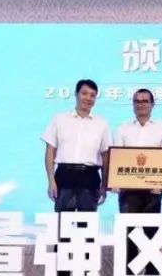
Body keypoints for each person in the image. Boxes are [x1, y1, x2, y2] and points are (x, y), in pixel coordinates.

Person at [112, 88, 162, 276]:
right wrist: (115, 182)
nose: (141, 104)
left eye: (145, 101)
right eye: (137, 101)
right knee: (128, 233)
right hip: (128, 190)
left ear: (152, 104)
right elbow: (117, 159)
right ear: (133, 104)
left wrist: (161, 184)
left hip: (153, 190)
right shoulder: (122, 129)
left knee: (150, 233)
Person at [42, 79, 111, 213]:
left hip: (90, 177)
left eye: (92, 95)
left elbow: (106, 156)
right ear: (76, 94)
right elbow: (50, 151)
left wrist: (104, 184)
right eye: (84, 93)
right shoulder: (59, 119)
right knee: (64, 221)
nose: (88, 98)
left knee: (87, 222)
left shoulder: (102, 123)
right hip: (64, 175)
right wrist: (51, 180)